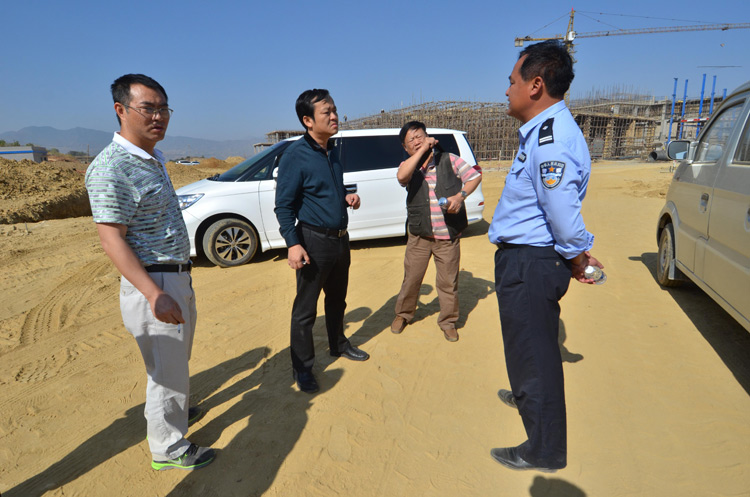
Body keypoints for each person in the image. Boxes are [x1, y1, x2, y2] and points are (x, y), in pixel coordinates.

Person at [85, 74, 215, 471]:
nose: (158, 116)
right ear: (121, 110)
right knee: (166, 370)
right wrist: (153, 293)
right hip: (153, 281)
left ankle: (171, 413)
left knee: (174, 361)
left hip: (173, 275)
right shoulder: (112, 167)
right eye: (148, 108)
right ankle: (168, 447)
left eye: (163, 109)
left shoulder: (151, 157)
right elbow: (112, 240)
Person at [488, 41, 604, 472]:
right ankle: (526, 396)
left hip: (531, 261)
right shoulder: (542, 132)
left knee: (536, 357)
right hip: (526, 258)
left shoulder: (551, 140)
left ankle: (544, 450)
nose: (507, 90)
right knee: (525, 349)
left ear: (535, 85)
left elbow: (562, 212)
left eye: (512, 81)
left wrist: (577, 255)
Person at [274, 89, 369, 394]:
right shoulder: (295, 155)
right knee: (305, 310)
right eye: (326, 112)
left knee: (337, 300)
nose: (334, 116)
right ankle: (302, 369)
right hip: (313, 242)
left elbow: (326, 190)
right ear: (307, 120)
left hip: (340, 241)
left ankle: (338, 344)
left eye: (334, 110)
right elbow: (284, 206)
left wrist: (347, 197)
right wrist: (293, 244)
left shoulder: (333, 150)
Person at [391, 121, 482, 341]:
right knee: (411, 279)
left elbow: (474, 176)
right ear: (405, 147)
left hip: (447, 236)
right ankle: (403, 314)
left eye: (420, 136)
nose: (417, 141)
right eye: (411, 140)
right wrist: (422, 150)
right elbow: (402, 177)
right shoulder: (408, 166)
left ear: (428, 136)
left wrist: (460, 196)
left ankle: (448, 321)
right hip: (419, 236)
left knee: (448, 283)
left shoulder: (448, 159)